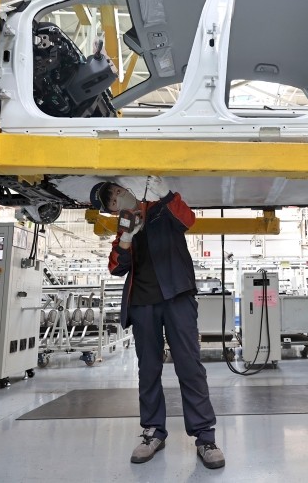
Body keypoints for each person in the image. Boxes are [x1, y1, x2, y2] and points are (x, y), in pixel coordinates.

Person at [90, 177, 225, 470]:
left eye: (117, 191)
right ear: (112, 210)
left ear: (127, 189)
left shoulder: (161, 209)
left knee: (189, 366)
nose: (117, 197)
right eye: (111, 200)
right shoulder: (123, 228)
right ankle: (153, 432)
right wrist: (127, 237)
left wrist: (166, 194)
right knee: (148, 370)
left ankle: (205, 437)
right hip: (143, 304)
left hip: (177, 296)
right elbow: (116, 267)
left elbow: (188, 220)